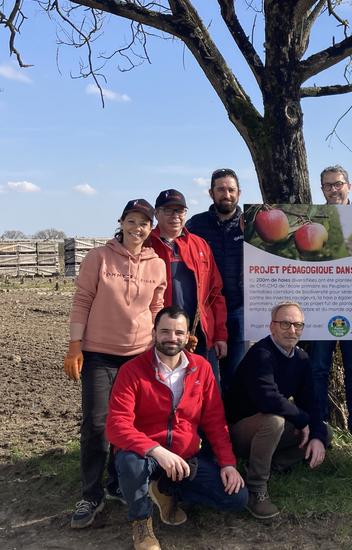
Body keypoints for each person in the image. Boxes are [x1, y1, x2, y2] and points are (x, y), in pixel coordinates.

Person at [107, 306, 246, 550]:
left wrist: (227, 463)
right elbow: (117, 425)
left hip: (185, 457)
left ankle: (165, 490)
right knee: (130, 462)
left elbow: (214, 420)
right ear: (154, 333)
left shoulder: (201, 368)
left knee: (236, 498)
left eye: (179, 332)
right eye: (165, 331)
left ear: (187, 337)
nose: (172, 338)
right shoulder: (132, 371)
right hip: (146, 455)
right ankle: (141, 523)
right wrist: (156, 450)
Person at [64, 199, 167, 529]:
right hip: (99, 354)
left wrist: (158, 345)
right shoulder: (99, 257)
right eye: (132, 221)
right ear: (121, 222)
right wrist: (75, 346)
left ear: (151, 229)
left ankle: (115, 484)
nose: (138, 228)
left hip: (138, 356)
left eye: (144, 223)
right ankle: (90, 494)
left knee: (128, 425)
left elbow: (156, 308)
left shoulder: (157, 263)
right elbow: (82, 301)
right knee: (96, 425)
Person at [225, 302, 328, 519]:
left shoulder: (301, 358)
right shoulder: (261, 354)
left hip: (267, 430)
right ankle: (256, 489)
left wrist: (316, 434)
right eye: (285, 324)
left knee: (325, 433)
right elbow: (268, 399)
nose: (292, 330)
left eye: (297, 325)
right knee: (275, 421)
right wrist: (301, 420)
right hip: (239, 432)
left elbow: (312, 401)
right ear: (272, 327)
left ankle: (272, 465)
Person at [308, 165, 352, 432]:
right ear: (321, 190)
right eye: (328, 186)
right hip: (322, 304)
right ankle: (320, 423)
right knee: (319, 368)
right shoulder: (314, 220)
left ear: (349, 186)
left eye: (338, 184)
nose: (334, 189)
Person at [147, 189, 228, 381]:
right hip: (161, 334)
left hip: (197, 334)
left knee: (205, 390)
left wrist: (219, 335)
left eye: (180, 211)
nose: (175, 216)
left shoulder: (199, 245)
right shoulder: (146, 244)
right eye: (168, 210)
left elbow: (215, 293)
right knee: (162, 390)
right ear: (156, 213)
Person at [186, 168, 246, 390]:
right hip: (205, 310)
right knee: (205, 371)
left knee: (236, 372)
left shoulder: (251, 224)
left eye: (231, 190)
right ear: (211, 193)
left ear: (239, 192)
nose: (226, 194)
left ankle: (231, 421)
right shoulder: (195, 225)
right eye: (221, 189)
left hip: (240, 308)